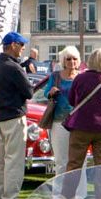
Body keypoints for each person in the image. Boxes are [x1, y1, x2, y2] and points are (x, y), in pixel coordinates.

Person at [63, 47, 101, 198]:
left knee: (74, 164)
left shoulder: (80, 78)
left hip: (80, 126)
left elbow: (72, 100)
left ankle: (66, 198)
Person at [0, 31, 34, 199]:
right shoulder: (14, 67)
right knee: (14, 162)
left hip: (0, 117)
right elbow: (29, 92)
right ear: (13, 45)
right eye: (21, 45)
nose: (23, 48)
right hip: (14, 117)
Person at [40, 46, 81, 175]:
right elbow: (45, 93)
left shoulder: (82, 76)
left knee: (80, 160)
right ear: (63, 60)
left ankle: (80, 194)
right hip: (59, 122)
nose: (72, 62)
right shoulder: (55, 76)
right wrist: (51, 92)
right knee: (61, 160)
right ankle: (58, 194)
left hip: (78, 123)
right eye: (68, 59)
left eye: (75, 59)